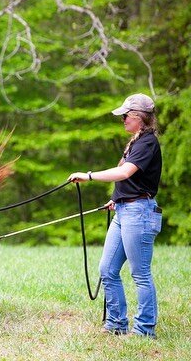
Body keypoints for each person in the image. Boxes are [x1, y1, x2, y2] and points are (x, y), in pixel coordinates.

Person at [67, 93, 162, 338]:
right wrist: (117, 198)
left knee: (140, 274)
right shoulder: (136, 141)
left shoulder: (147, 142)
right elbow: (130, 179)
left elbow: (125, 173)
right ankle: (117, 323)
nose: (122, 121)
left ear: (139, 118)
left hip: (139, 214)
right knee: (107, 269)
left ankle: (144, 330)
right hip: (124, 210)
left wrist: (88, 176)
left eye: (126, 117)